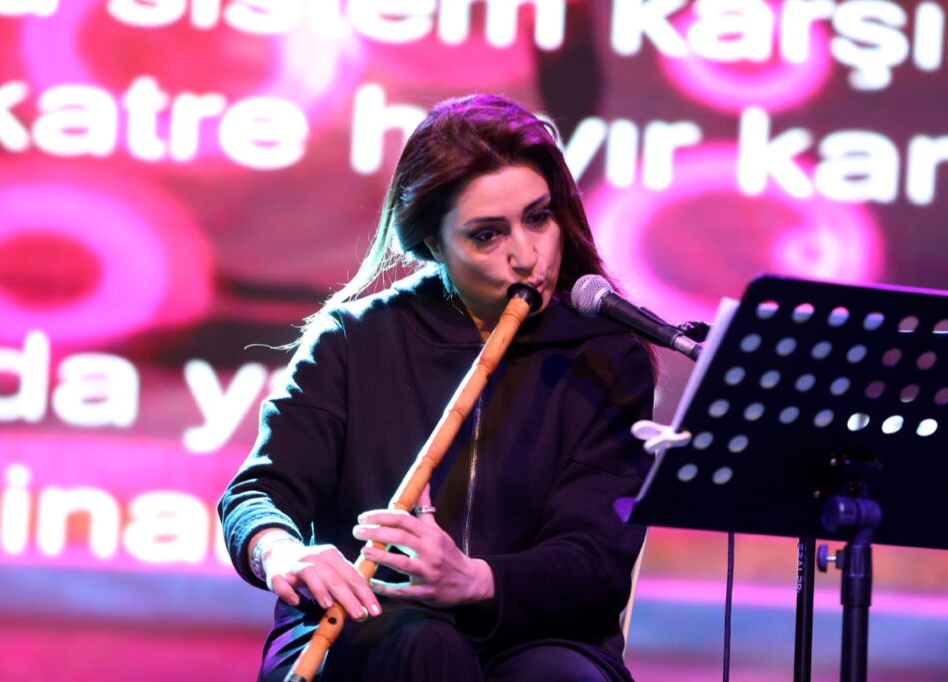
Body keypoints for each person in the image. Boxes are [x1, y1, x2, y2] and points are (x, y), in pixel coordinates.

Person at [218, 94, 657, 682]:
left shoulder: (606, 356)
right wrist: (281, 550)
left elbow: (596, 564)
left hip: (536, 631)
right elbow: (258, 493)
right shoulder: (354, 338)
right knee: (424, 646)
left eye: (538, 218)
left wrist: (474, 579)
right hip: (371, 621)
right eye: (486, 235)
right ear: (430, 244)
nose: (527, 256)